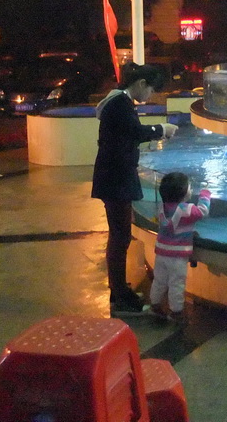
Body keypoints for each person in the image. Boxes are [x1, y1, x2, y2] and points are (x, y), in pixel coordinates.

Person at [92, 62, 179, 317]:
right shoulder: (120, 104)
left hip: (115, 177)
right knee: (119, 238)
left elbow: (126, 135)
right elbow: (134, 131)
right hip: (115, 180)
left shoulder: (118, 102)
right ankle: (120, 296)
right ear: (141, 84)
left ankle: (119, 291)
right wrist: (161, 130)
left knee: (120, 236)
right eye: (151, 89)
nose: (150, 95)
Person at [150, 172, 211, 327]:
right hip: (177, 256)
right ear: (184, 192)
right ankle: (177, 312)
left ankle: (155, 305)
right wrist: (205, 193)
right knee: (177, 283)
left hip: (161, 251)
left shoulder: (162, 207)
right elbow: (203, 211)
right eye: (189, 186)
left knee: (159, 280)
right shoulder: (186, 209)